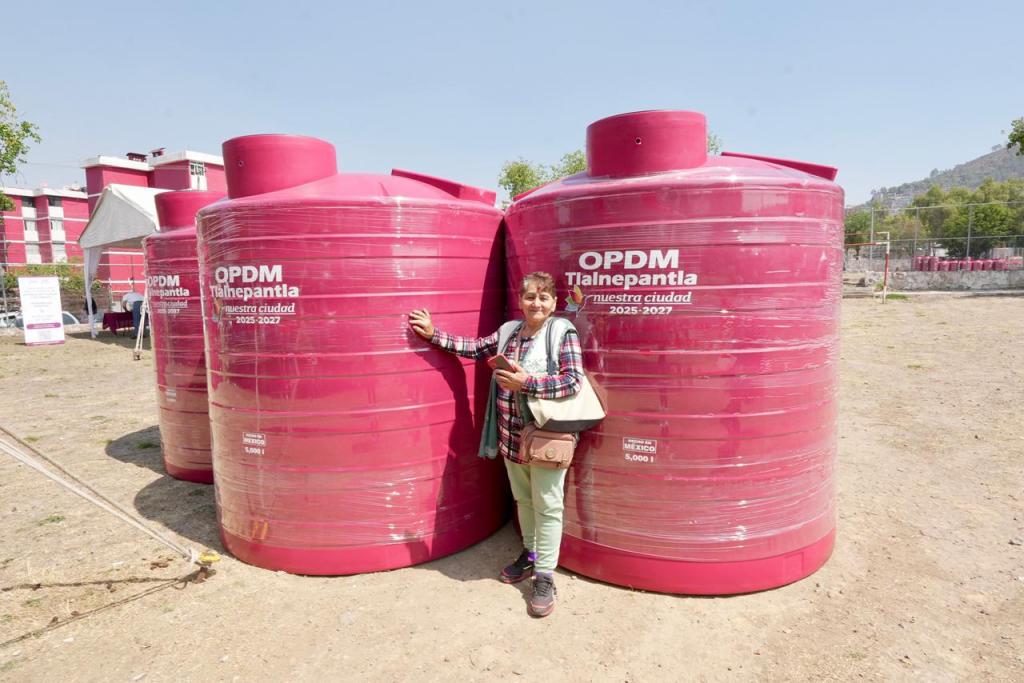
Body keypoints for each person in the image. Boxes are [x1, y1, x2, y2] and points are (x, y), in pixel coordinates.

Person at [408, 272, 584, 618]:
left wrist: (526, 383)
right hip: (510, 435)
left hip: (546, 437)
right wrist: (433, 334)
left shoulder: (562, 332)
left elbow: (573, 381)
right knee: (524, 500)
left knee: (548, 506)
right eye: (530, 297)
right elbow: (475, 348)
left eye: (544, 297)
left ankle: (545, 577)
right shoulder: (509, 332)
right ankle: (531, 555)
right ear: (520, 300)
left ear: (553, 303)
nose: (536, 304)